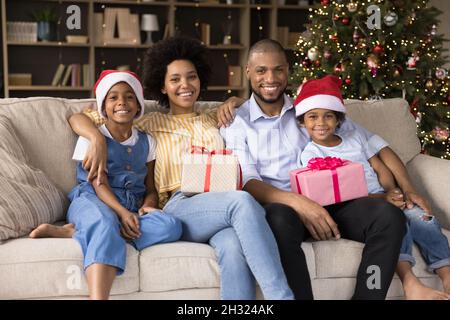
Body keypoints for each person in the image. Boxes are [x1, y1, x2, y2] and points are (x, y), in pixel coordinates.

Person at [60, 37, 294, 300]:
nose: (185, 85)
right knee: (242, 201)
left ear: (200, 80)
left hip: (215, 206)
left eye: (191, 77)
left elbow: (251, 104)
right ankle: (281, 297)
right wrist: (96, 138)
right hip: (179, 203)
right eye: (175, 79)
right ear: (162, 85)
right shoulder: (147, 121)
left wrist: (235, 101)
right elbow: (77, 117)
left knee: (233, 245)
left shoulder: (215, 117)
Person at [220, 39, 415, 300]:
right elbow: (247, 181)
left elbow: (374, 145)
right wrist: (301, 203)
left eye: (278, 69)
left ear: (288, 71)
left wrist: (409, 189)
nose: (271, 78)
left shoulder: (314, 109)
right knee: (278, 219)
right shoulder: (236, 122)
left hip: (333, 201)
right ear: (248, 72)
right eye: (261, 71)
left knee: (388, 216)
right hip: (281, 206)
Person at [30, 70, 183, 300]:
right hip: (92, 199)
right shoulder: (92, 139)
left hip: (128, 208)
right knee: (104, 220)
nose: (122, 102)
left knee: (171, 226)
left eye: (129, 96)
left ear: (139, 105)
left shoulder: (148, 142)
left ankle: (76, 231)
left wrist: (149, 206)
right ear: (103, 105)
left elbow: (150, 187)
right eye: (113, 97)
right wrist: (121, 213)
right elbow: (98, 183)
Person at [296, 75, 450, 300]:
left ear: (338, 119)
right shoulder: (312, 153)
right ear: (303, 122)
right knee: (396, 224)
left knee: (422, 218)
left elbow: (379, 166)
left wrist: (392, 191)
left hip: (384, 195)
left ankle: (446, 275)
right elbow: (337, 194)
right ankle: (410, 283)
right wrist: (382, 201)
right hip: (363, 203)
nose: (321, 123)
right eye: (313, 117)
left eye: (328, 116)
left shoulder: (354, 137)